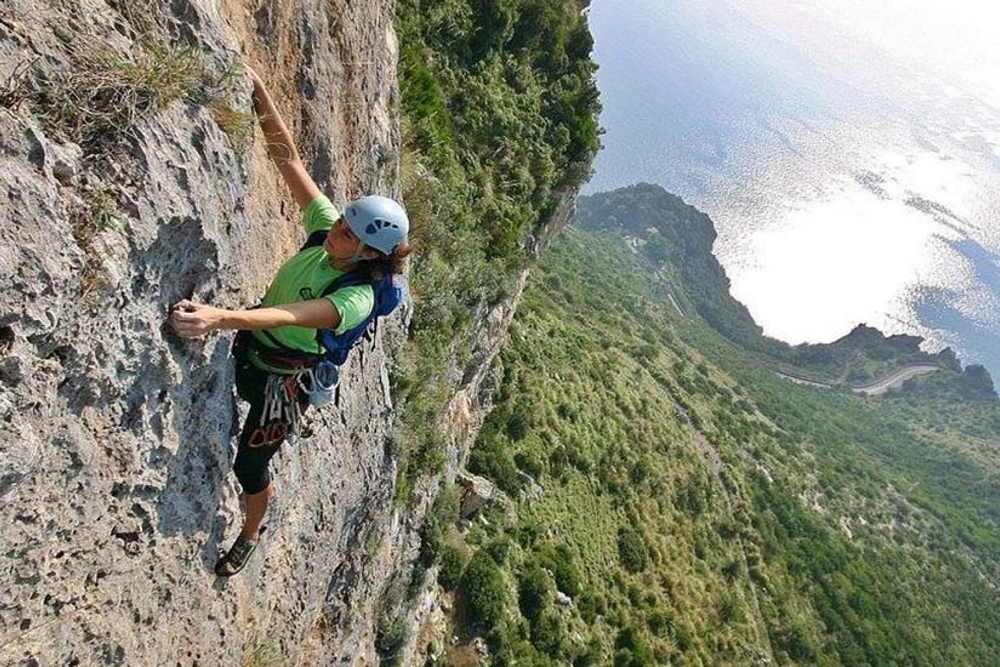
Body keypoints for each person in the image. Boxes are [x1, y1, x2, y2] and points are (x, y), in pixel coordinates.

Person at [169, 67, 411, 576]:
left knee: (250, 465)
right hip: (255, 344)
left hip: (286, 376)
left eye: (349, 233)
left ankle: (251, 532)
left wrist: (219, 319)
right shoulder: (330, 232)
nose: (336, 229)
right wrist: (258, 90)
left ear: (370, 254)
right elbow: (291, 161)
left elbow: (294, 314)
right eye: (342, 220)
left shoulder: (358, 297)